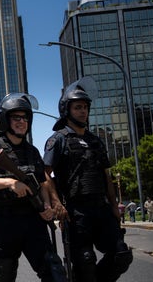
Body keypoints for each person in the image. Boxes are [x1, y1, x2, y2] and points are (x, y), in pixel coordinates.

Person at [44, 78, 132, 282]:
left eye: (85, 107)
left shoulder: (95, 141)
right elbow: (45, 174)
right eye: (77, 107)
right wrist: (57, 203)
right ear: (67, 110)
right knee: (85, 261)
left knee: (121, 255)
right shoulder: (58, 139)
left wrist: (113, 206)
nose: (83, 111)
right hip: (76, 212)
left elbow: (106, 177)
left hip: (101, 208)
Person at [0, 93, 66, 281]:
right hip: (6, 223)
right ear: (5, 120)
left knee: (55, 272)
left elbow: (42, 182)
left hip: (34, 222)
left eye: (25, 118)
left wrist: (46, 205)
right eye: (16, 117)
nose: (21, 122)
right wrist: (10, 182)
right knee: (5, 275)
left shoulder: (32, 151)